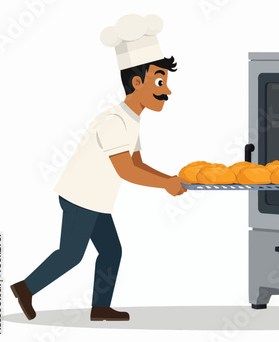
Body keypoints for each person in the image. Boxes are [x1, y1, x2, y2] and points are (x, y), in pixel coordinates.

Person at [10, 14, 189, 322]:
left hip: (97, 200)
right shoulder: (114, 121)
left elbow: (137, 163)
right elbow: (126, 171)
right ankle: (25, 288)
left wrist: (172, 179)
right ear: (137, 82)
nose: (167, 91)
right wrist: (166, 185)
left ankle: (99, 308)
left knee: (111, 252)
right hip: (81, 197)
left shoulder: (132, 120)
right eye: (160, 81)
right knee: (71, 255)